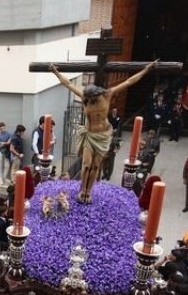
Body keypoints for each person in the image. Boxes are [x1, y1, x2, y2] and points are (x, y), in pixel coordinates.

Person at [48, 60, 158, 203]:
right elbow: (68, 84)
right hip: (89, 135)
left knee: (95, 166)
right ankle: (82, 190)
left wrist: (146, 69)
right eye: (88, 98)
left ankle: (88, 192)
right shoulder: (85, 98)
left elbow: (129, 81)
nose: (89, 100)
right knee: (86, 165)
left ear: (97, 94)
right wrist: (55, 72)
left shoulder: (107, 95)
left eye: (92, 98)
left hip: (103, 136)